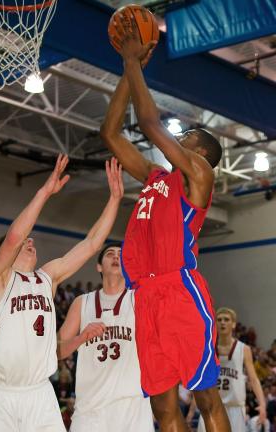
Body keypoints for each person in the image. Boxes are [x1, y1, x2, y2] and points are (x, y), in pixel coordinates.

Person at [100, 16, 230, 432]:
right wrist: (128, 67)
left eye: (188, 133)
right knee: (163, 409)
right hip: (146, 295)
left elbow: (150, 124)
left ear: (201, 150)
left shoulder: (200, 175)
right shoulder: (158, 178)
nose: (181, 135)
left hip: (180, 290)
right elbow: (111, 133)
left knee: (206, 397)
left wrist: (136, 61)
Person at [0, 155, 123, 432]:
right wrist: (44, 192)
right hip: (0, 396)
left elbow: (92, 243)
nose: (31, 240)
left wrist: (115, 200)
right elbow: (14, 236)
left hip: (40, 394)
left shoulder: (47, 278)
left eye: (31, 240)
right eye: (26, 241)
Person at [57, 241, 154, 432]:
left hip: (131, 406)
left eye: (121, 254)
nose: (116, 256)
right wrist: (81, 337)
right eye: (110, 253)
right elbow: (56, 351)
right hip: (89, 409)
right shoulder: (81, 303)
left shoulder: (141, 299)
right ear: (99, 266)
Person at [188, 307, 266, 432]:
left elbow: (254, 379)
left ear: (234, 324)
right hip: (211, 406)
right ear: (215, 324)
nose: (222, 322)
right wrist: (192, 411)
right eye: (219, 320)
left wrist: (262, 405)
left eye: (226, 319)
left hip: (234, 407)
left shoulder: (243, 349)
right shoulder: (208, 349)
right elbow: (201, 383)